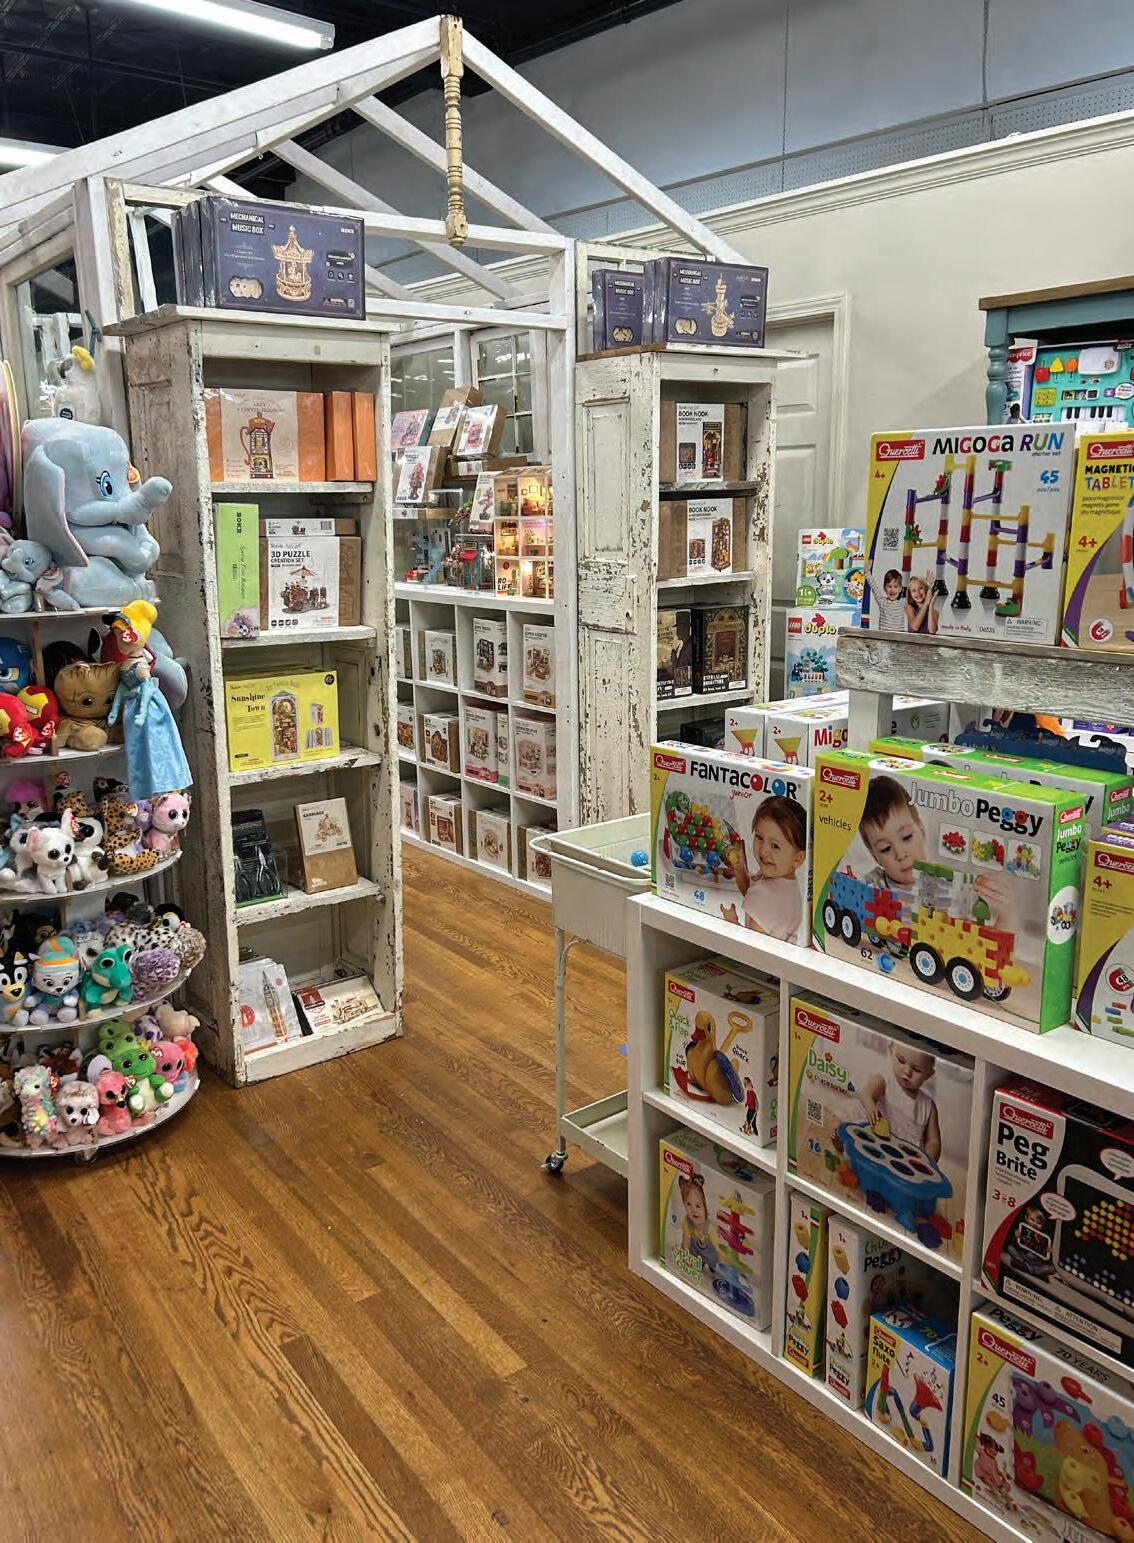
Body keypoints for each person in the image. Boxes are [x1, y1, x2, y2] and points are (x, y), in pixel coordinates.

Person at [721, 794, 807, 940]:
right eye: (759, 837)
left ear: (797, 859)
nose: (763, 850)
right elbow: (751, 892)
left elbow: (752, 946)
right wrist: (741, 870)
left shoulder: (766, 896)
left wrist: (732, 924)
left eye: (775, 846)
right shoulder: (786, 884)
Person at [862, 1040, 942, 1161]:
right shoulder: (884, 1082)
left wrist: (926, 1160)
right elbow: (866, 1092)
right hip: (878, 1147)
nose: (907, 1072)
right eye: (901, 1060)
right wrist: (870, 1105)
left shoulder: (928, 1106)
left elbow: (933, 1141)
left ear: (928, 1075)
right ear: (891, 1050)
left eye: (917, 1069)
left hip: (908, 1162)